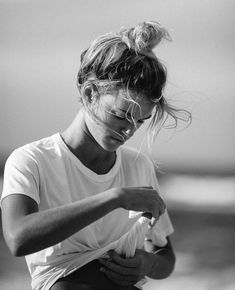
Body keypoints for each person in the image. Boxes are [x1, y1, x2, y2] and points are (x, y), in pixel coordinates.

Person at [1, 21, 189, 290]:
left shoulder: (137, 166)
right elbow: (18, 238)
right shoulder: (32, 160)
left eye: (140, 121)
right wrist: (115, 198)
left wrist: (146, 264)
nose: (129, 130)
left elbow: (165, 257)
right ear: (90, 93)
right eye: (121, 115)